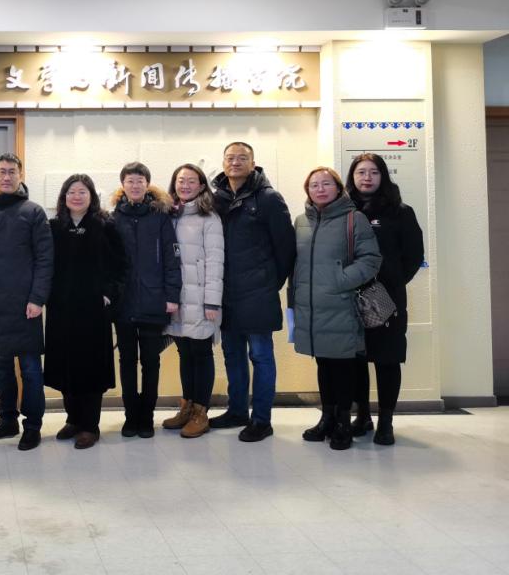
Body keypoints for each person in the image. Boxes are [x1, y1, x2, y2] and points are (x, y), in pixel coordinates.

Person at [210, 142, 296, 442]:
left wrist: (269, 282)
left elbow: (286, 248)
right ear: (223, 162)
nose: (235, 162)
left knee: (260, 356)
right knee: (232, 355)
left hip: (258, 292)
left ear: (253, 162)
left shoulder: (269, 198)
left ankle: (261, 419)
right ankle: (237, 411)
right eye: (230, 157)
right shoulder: (216, 198)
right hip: (226, 293)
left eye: (242, 158)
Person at [291, 167, 381, 450]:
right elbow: (295, 264)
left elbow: (371, 259)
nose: (320, 189)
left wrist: (339, 281)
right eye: (314, 185)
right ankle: (327, 418)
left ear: (339, 187)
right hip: (311, 307)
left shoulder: (355, 219)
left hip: (341, 304)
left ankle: (343, 421)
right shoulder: (301, 221)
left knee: (342, 366)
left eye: (326, 184)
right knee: (323, 364)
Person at [0, 153, 54, 451]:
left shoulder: (33, 212)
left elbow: (45, 259)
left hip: (26, 306)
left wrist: (37, 298)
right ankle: (7, 420)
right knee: (1, 369)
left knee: (31, 370)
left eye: (12, 172)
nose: (6, 177)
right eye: (2, 171)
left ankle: (32, 426)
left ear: (21, 175)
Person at [44, 174, 128, 449]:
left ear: (91, 196)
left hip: (93, 309)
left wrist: (108, 294)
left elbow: (120, 266)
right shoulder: (54, 227)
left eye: (82, 192)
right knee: (66, 365)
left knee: (90, 366)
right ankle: (73, 419)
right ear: (64, 197)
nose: (76, 196)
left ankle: (90, 426)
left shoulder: (105, 226)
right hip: (61, 308)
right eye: (71, 192)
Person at [346, 153, 424, 445]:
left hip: (385, 297)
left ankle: (386, 422)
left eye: (374, 172)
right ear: (352, 177)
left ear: (383, 176)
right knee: (355, 359)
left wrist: (389, 284)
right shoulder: (343, 211)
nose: (367, 178)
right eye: (361, 172)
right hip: (348, 297)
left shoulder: (400, 212)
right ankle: (362, 416)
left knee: (387, 359)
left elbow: (414, 256)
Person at [109, 162, 181, 438]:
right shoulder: (113, 218)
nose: (135, 185)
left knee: (151, 361)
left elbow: (172, 259)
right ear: (123, 185)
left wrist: (172, 296)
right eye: (130, 180)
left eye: (140, 180)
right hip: (123, 303)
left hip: (154, 301)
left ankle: (147, 417)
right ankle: (131, 417)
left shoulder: (160, 217)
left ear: (147, 184)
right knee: (127, 361)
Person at [161, 163, 224, 439]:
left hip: (200, 299)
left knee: (201, 353)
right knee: (184, 353)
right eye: (180, 180)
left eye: (191, 181)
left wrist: (212, 302)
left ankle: (201, 412)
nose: (185, 185)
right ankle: (186, 407)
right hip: (176, 298)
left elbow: (216, 262)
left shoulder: (209, 218)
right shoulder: (169, 215)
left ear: (201, 186)